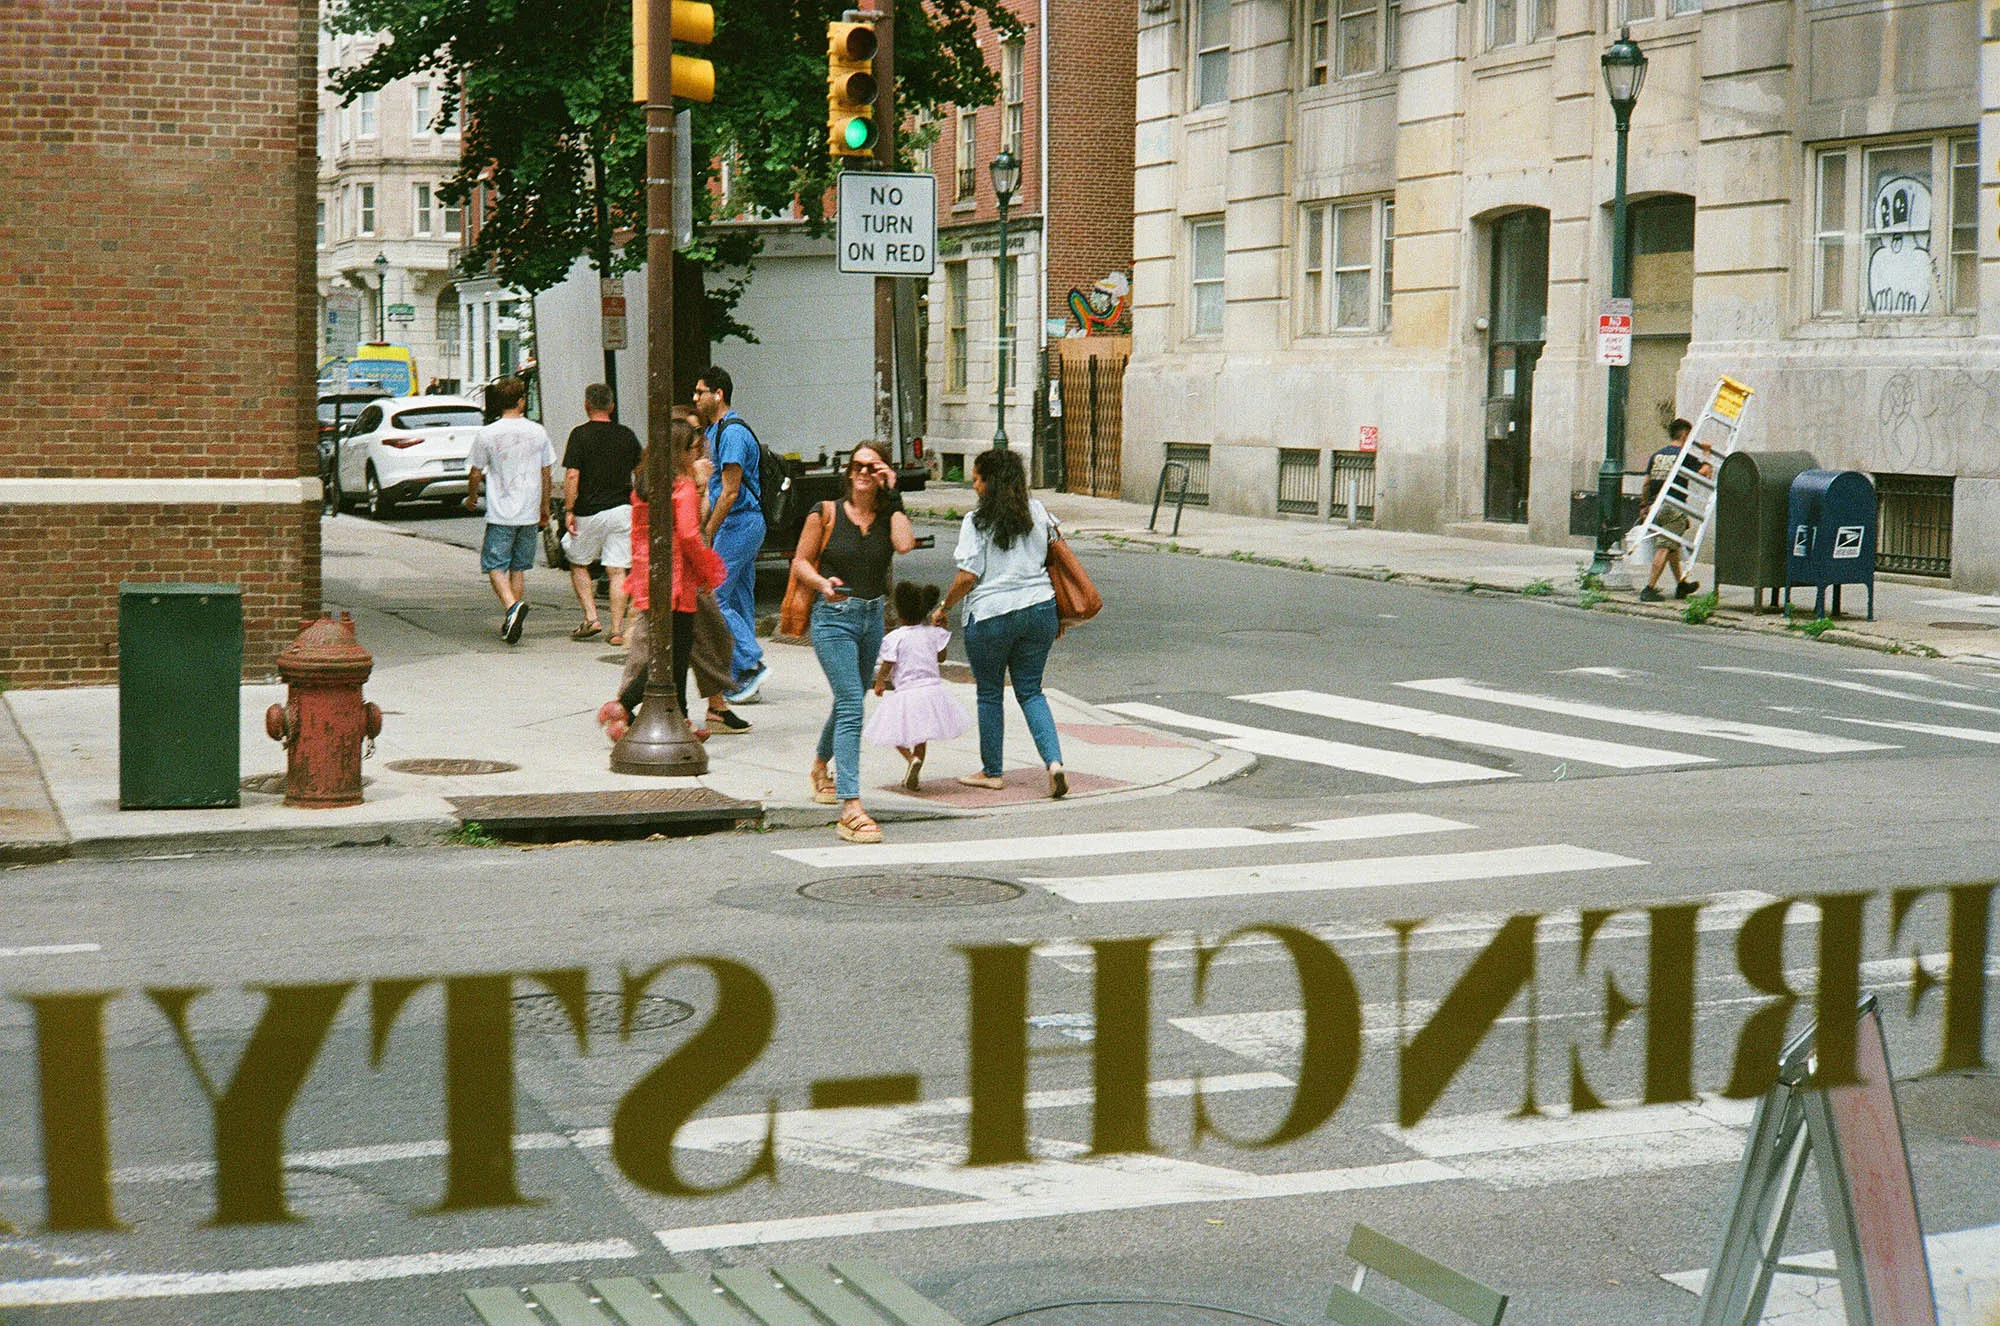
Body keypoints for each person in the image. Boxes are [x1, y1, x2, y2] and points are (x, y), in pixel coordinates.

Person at [794, 442, 915, 843]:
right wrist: (820, 583)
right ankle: (851, 807)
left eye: (873, 468)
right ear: (849, 472)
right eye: (858, 466)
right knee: (850, 704)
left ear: (883, 476)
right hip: (833, 617)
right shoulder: (825, 512)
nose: (864, 472)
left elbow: (904, 545)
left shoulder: (888, 516)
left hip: (872, 618)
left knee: (851, 697)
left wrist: (895, 496)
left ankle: (819, 765)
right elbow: (800, 561)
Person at [934, 448, 1068, 799]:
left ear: (990, 482)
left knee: (990, 693)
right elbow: (1054, 558)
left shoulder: (975, 522)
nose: (974, 486)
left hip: (991, 615)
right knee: (1031, 691)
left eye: (977, 479)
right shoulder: (1039, 512)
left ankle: (992, 771)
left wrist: (944, 607)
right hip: (1040, 608)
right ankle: (1054, 763)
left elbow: (967, 576)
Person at [598, 422, 745, 742]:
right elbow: (691, 535)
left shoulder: (647, 484)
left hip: (650, 576)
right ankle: (622, 706)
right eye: (695, 448)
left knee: (673, 654)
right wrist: (706, 571)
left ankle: (680, 717)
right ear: (681, 451)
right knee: (671, 655)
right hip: (678, 581)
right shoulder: (682, 487)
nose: (700, 453)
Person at [695, 366, 769, 704]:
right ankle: (743, 677)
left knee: (713, 596)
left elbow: (730, 491)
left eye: (700, 392)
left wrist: (709, 531)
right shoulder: (715, 430)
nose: (695, 398)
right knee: (738, 598)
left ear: (718, 394)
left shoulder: (733, 433)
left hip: (740, 522)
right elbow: (714, 489)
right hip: (737, 523)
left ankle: (751, 663)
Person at [463, 377, 553, 644]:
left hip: (501, 511)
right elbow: (546, 472)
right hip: (529, 510)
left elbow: (476, 472)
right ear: (521, 401)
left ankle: (512, 607)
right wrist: (545, 506)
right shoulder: (538, 432)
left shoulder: (487, 434)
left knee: (494, 565)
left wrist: (471, 497)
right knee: (518, 567)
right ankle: (512, 620)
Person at [866, 582, 971, 792]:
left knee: (892, 730)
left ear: (899, 613)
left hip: (907, 692)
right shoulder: (931, 633)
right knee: (921, 737)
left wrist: (880, 681)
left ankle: (910, 758)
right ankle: (915, 766)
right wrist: (940, 629)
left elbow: (888, 662)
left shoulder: (895, 637)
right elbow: (941, 657)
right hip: (932, 691)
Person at [559, 383, 642, 643]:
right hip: (622, 509)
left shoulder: (579, 435)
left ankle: (591, 617)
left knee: (578, 562)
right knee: (617, 570)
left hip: (589, 510)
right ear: (612, 407)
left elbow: (572, 475)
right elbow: (640, 471)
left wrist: (569, 509)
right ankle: (616, 629)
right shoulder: (626, 435)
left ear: (587, 405)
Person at [1639, 417, 1714, 603]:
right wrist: (1706, 452)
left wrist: (1644, 506)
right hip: (1673, 507)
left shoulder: (1657, 455)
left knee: (1673, 545)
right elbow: (1705, 473)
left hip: (1655, 506)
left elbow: (1646, 483)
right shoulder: (1683, 455)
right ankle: (1649, 588)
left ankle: (1681, 584)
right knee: (1664, 547)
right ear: (1684, 434)